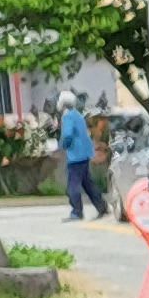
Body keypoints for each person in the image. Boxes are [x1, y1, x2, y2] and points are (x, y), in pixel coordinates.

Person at [55, 92, 100, 222]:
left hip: (75, 155)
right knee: (87, 184)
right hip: (84, 154)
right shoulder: (77, 115)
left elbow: (68, 135)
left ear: (62, 103)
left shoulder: (67, 116)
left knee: (72, 186)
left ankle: (77, 212)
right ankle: (102, 207)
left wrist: (62, 147)